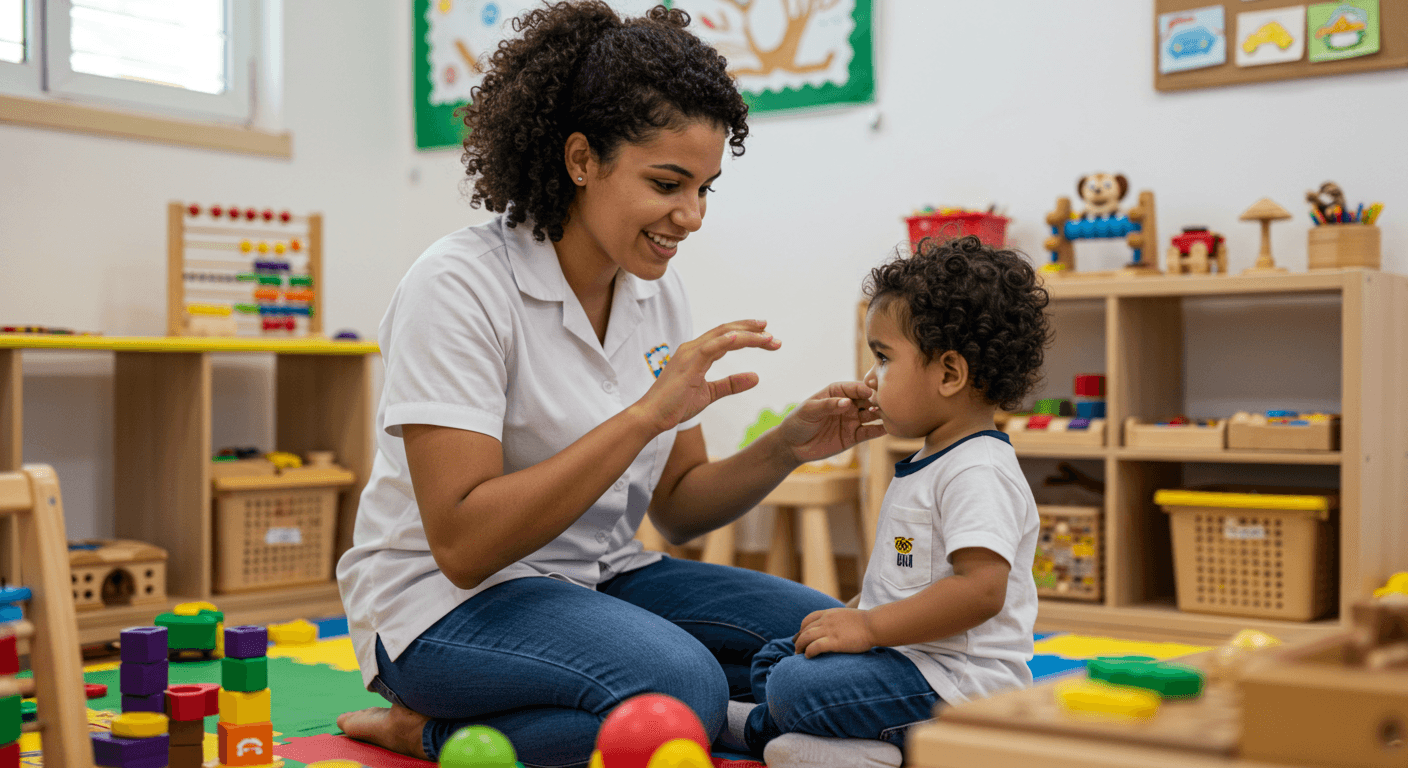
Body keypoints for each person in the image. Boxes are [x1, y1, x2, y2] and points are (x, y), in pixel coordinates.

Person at [333, 3, 884, 766]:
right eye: (667, 183)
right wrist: (644, 416)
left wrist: (787, 448)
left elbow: (682, 506)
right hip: (443, 605)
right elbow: (463, 544)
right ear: (581, 158)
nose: (689, 216)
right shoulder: (456, 286)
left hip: (599, 577)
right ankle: (426, 732)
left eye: (705, 188)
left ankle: (696, 716)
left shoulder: (655, 292)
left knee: (834, 646)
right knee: (678, 689)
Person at [726, 236, 1051, 767]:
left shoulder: (978, 470)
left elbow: (981, 591)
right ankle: (847, 748)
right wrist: (860, 611)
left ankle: (863, 744)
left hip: (957, 686)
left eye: (883, 357)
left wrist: (870, 627)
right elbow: (914, 575)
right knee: (779, 655)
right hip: (906, 661)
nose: (870, 378)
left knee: (792, 684)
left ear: (949, 374)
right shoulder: (933, 458)